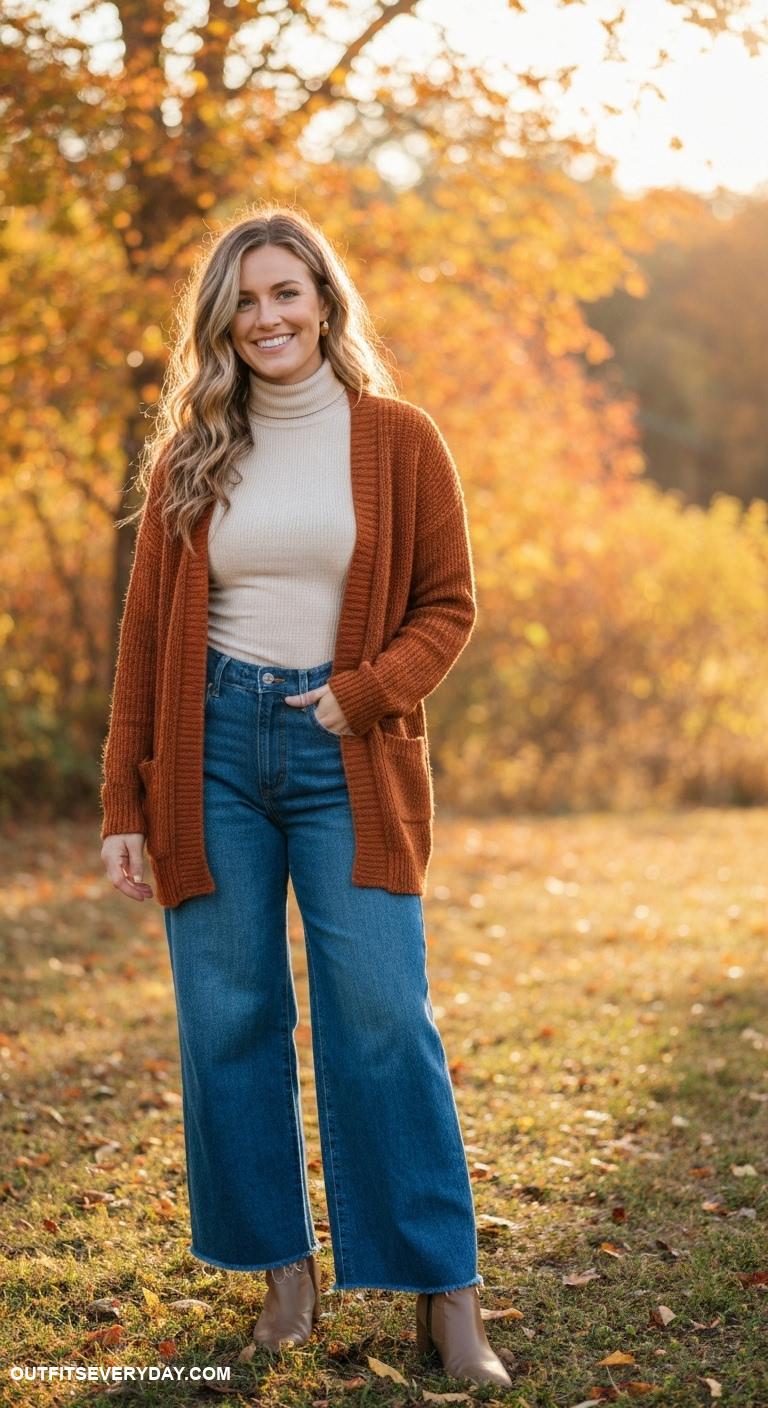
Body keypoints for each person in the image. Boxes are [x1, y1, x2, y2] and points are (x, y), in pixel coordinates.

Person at [99, 204, 511, 1390]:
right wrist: (125, 805)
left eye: (287, 292)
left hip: (349, 755)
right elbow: (142, 643)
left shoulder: (399, 439)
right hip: (207, 750)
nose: (268, 316)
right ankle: (285, 1273)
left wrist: (361, 695)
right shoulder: (192, 455)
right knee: (228, 1018)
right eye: (245, 298)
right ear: (221, 321)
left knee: (384, 1013)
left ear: (326, 302)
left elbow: (449, 606)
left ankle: (448, 1295)